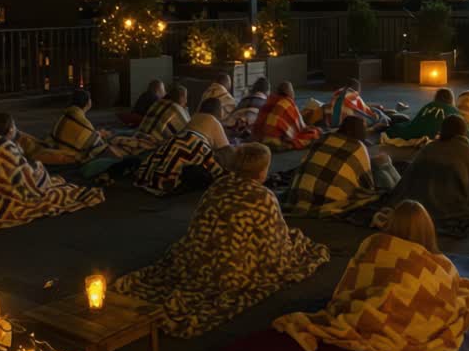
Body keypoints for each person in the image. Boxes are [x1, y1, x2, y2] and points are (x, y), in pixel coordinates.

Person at [114, 143, 330, 338]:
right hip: (231, 272)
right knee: (298, 246)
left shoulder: (218, 185)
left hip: (197, 258)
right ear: (262, 172)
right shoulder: (263, 197)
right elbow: (274, 249)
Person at [273, 200, 469, 351]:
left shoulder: (375, 247)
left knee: (370, 308)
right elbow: (448, 293)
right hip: (401, 324)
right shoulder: (443, 267)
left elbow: (353, 283)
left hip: (372, 314)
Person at [0, 113, 105, 233]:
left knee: (54, 176)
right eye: (14, 126)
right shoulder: (3, 147)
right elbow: (29, 184)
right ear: (10, 130)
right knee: (57, 183)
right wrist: (38, 168)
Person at [379, 115, 469, 236]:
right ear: (463, 131)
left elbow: (410, 178)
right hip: (453, 199)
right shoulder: (464, 149)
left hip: (420, 198)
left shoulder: (429, 147)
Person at [280, 115, 385, 217]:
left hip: (297, 196)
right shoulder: (358, 147)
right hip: (328, 202)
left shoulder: (323, 138)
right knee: (381, 168)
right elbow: (367, 185)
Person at [133, 129, 224, 197]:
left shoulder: (184, 135)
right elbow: (219, 174)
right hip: (165, 185)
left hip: (144, 177)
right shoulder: (202, 146)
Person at [44, 89, 127, 164]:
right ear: (88, 103)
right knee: (115, 139)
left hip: (58, 148)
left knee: (110, 134)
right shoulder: (78, 118)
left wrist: (98, 134)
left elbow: (80, 133)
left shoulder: (67, 114)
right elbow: (96, 144)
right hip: (69, 153)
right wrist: (100, 136)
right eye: (90, 98)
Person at [115, 87, 191, 155]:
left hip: (138, 135)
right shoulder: (178, 110)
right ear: (181, 98)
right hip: (151, 146)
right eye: (185, 98)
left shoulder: (158, 102)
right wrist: (185, 111)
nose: (186, 101)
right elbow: (187, 132)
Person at [251, 81, 323, 150]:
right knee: (314, 133)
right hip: (275, 139)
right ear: (290, 93)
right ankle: (281, 144)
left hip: (259, 137)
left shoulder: (269, 100)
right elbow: (299, 127)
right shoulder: (287, 102)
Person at [380, 88, 463, 147]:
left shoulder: (429, 106)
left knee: (399, 126)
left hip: (417, 132)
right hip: (441, 137)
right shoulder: (454, 111)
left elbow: (416, 122)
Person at [186, 97, 237, 168]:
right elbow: (226, 150)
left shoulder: (194, 117)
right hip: (197, 164)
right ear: (218, 110)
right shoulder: (212, 120)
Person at [326, 79, 393, 130]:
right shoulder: (354, 94)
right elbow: (363, 112)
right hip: (345, 125)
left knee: (374, 109)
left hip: (332, 124)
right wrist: (375, 116)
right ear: (357, 89)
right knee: (378, 113)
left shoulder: (337, 94)